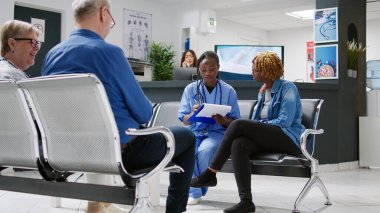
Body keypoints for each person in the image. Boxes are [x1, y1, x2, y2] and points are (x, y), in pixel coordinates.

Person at [41, 0, 195, 213]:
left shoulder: (52, 55)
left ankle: (99, 203)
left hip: (68, 151)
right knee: (187, 137)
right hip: (119, 154)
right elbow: (144, 113)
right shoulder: (109, 53)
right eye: (111, 20)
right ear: (104, 13)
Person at [191, 51, 305, 213]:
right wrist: (255, 125)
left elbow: (284, 122)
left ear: (266, 70)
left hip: (288, 138)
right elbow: (256, 123)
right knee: (239, 144)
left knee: (239, 124)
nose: (252, 72)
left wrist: (255, 125)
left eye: (255, 70)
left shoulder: (288, 88)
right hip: (270, 137)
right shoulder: (262, 91)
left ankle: (211, 172)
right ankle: (246, 201)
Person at [178, 51, 240, 205]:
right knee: (188, 151)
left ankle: (198, 188)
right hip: (194, 131)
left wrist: (223, 120)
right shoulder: (190, 89)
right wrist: (192, 114)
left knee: (204, 151)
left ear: (218, 68)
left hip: (217, 133)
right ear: (198, 69)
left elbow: (235, 122)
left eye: (211, 69)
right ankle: (196, 191)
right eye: (203, 70)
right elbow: (184, 120)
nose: (207, 73)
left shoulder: (228, 91)